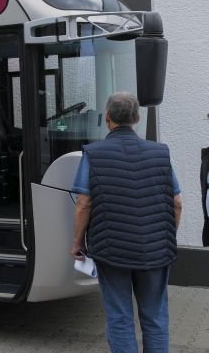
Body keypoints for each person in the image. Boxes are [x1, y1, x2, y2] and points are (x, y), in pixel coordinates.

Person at [71, 92, 182, 353]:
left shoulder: (93, 154)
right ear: (137, 118)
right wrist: (165, 237)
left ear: (107, 119)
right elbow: (177, 203)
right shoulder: (160, 153)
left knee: (120, 318)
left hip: (112, 252)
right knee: (155, 318)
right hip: (155, 251)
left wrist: (77, 242)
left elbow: (84, 204)